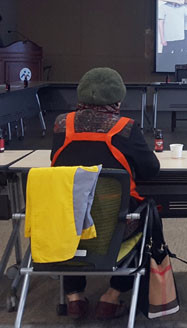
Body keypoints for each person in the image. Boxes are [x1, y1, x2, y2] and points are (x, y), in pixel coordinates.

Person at [50, 67, 160, 320]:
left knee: (77, 215)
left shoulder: (61, 125)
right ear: (118, 99)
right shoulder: (125, 128)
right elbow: (151, 169)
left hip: (68, 221)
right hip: (116, 224)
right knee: (148, 218)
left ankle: (74, 296)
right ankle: (112, 296)